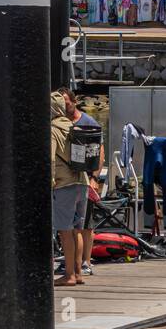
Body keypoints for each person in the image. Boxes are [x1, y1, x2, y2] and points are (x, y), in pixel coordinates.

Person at [51, 90, 90, 286]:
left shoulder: (52, 129)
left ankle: (69, 275)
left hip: (64, 183)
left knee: (64, 231)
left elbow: (50, 157)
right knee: (77, 229)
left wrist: (49, 181)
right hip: (82, 182)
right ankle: (78, 272)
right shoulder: (74, 126)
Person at [62, 88, 101, 278]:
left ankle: (86, 261)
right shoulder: (59, 123)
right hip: (66, 180)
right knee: (70, 224)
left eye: (66, 102)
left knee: (86, 224)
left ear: (74, 101)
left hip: (85, 179)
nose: (64, 106)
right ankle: (73, 263)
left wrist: (94, 178)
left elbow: (98, 151)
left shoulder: (87, 122)